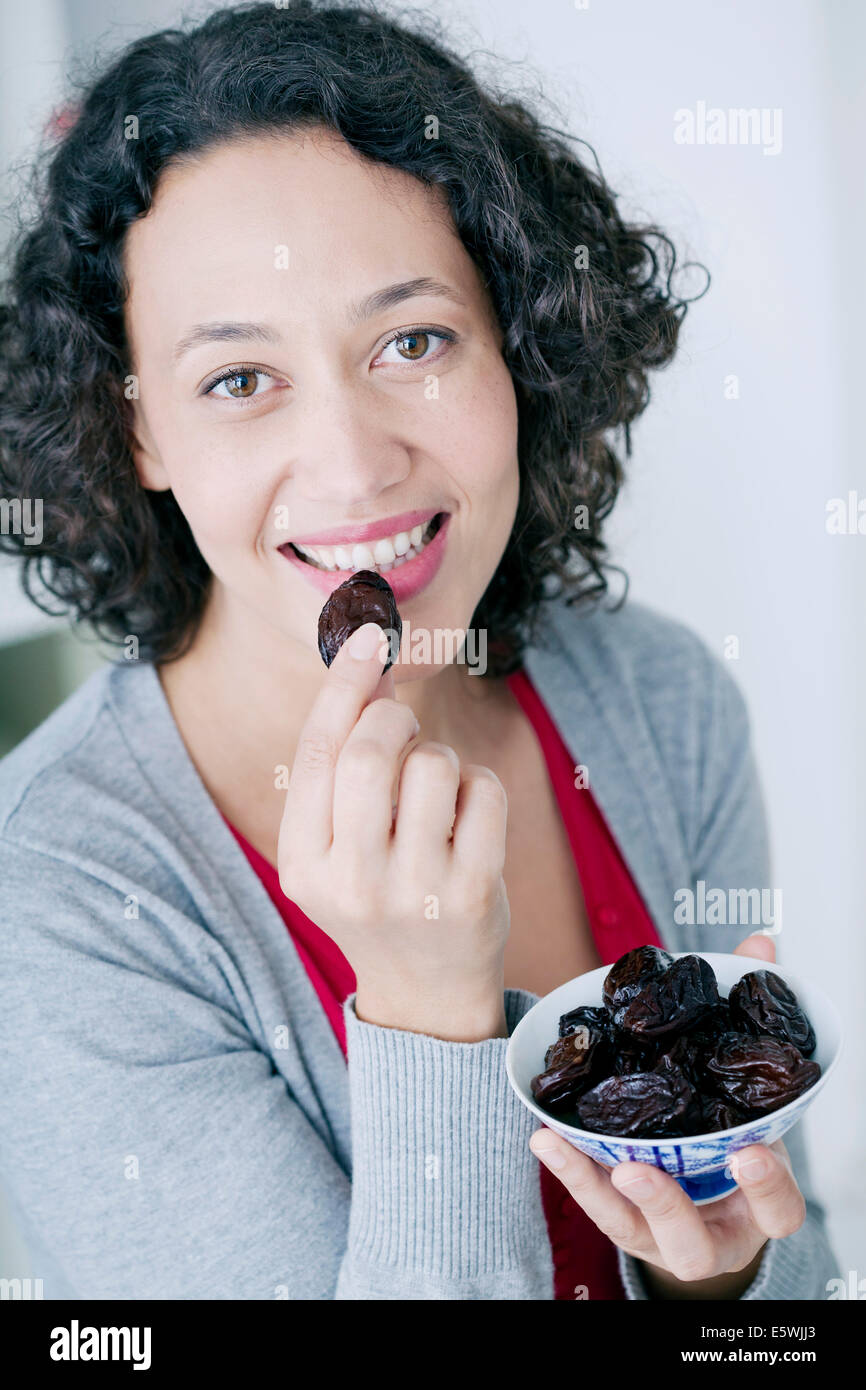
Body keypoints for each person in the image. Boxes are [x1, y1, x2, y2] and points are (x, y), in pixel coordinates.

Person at [0, 0, 837, 1300]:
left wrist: (708, 1287)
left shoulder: (663, 702)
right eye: (236, 377)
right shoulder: (51, 902)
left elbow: (800, 1265)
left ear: (513, 341)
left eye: (413, 339)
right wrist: (422, 1010)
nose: (350, 463)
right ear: (140, 435)